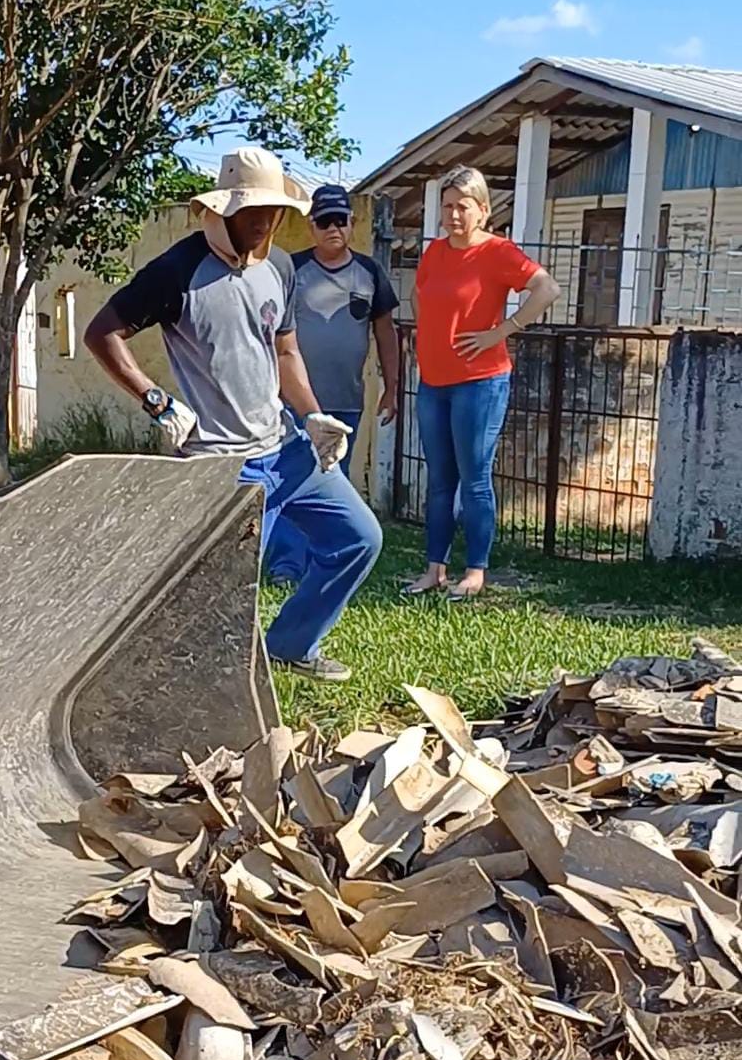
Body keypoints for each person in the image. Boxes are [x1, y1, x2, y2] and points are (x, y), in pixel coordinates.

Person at [83, 146, 383, 683]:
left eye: (274, 211)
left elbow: (285, 352)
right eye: (254, 211)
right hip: (223, 464)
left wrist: (313, 417)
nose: (266, 222)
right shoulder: (176, 271)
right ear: (224, 209)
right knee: (222, 587)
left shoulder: (281, 268)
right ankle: (190, 679)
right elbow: (101, 332)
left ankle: (292, 645)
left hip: (286, 449)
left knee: (359, 538)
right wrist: (155, 399)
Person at [405, 164, 560, 600]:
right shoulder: (435, 252)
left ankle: (475, 570)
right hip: (434, 382)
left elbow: (547, 288)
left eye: (463, 207)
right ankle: (434, 568)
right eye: (447, 206)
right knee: (439, 479)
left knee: (474, 477)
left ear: (484, 210)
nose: (453, 215)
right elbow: (421, 295)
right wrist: (429, 338)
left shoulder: (498, 252)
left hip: (480, 382)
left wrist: (502, 330)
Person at [265, 182, 399, 584]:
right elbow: (270, 333)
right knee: (290, 479)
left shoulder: (370, 272)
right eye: (324, 221)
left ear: (352, 224)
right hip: (294, 402)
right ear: (312, 226)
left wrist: (393, 388)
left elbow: (386, 334)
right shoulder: (291, 269)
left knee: (331, 482)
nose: (332, 228)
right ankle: (287, 564)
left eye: (340, 220)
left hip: (346, 402)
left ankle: (329, 559)